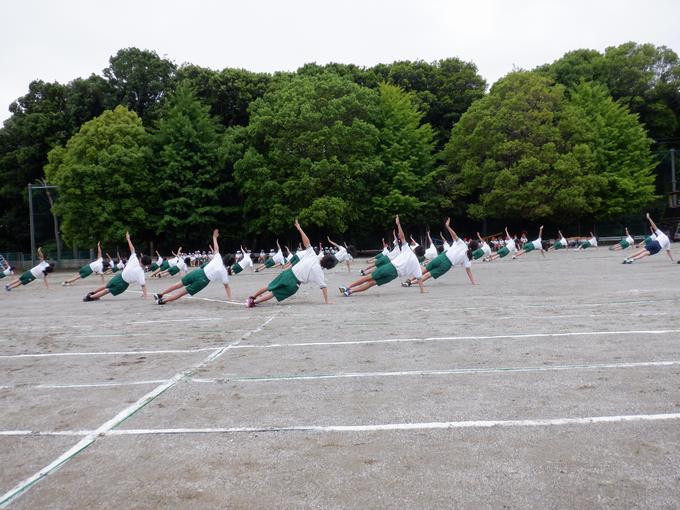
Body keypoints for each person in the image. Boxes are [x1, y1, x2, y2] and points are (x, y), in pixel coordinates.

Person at [246, 220, 337, 306]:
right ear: (328, 267)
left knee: (270, 286)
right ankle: (254, 302)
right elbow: (323, 287)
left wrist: (300, 229)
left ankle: (252, 297)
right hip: (295, 285)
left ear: (324, 257)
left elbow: (307, 242)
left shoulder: (313, 255)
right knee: (274, 294)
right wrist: (327, 301)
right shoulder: (319, 273)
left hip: (289, 274)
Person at [340, 215, 424, 296]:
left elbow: (402, 237)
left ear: (415, 249)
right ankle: (350, 291)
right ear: (420, 256)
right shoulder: (416, 263)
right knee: (371, 283)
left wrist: (398, 224)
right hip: (394, 275)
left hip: (390, 267)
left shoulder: (408, 250)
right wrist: (422, 291)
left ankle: (348, 288)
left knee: (368, 277)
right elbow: (419, 278)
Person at [153, 229, 232, 304]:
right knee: (182, 293)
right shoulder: (224, 272)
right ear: (230, 264)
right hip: (203, 281)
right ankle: (162, 301)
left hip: (198, 272)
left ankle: (160, 294)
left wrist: (214, 237)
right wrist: (230, 299)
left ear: (224, 258)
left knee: (178, 284)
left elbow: (216, 248)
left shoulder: (218, 258)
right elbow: (227, 287)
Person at [402, 218, 477, 287]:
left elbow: (454, 235)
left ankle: (409, 280)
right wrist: (473, 282)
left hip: (442, 257)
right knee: (428, 275)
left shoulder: (462, 244)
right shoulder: (468, 257)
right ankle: (410, 283)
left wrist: (447, 226)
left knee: (425, 270)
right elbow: (468, 271)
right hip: (447, 264)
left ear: (469, 243)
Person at [83, 232, 150, 301]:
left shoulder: (135, 259)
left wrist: (128, 239)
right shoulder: (141, 272)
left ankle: (92, 293)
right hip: (124, 284)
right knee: (107, 290)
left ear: (141, 259)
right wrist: (145, 295)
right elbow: (143, 285)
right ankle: (90, 297)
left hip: (120, 276)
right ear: (146, 265)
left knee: (106, 286)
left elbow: (132, 249)